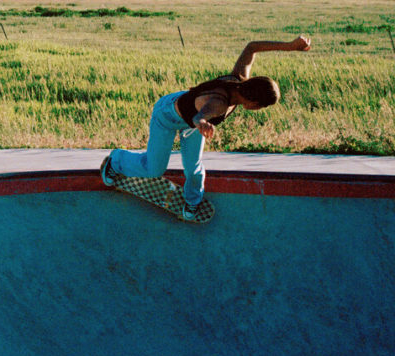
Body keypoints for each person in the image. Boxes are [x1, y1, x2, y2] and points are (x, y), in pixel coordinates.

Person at [100, 35, 312, 220]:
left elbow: (252, 47)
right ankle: (116, 160)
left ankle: (192, 200)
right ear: (254, 104)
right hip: (167, 115)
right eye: (262, 106)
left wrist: (291, 46)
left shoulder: (239, 78)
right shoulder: (218, 104)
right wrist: (202, 123)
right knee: (154, 169)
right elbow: (200, 116)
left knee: (193, 166)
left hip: (188, 115)